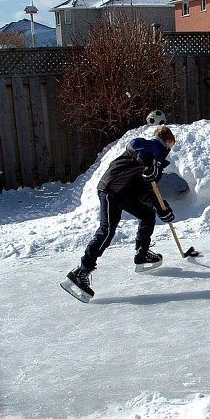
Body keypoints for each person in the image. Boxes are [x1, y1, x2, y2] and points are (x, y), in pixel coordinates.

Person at [61, 125, 176, 302]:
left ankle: (142, 253)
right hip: (111, 189)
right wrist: (148, 161)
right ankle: (81, 272)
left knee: (147, 214)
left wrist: (162, 208)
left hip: (125, 193)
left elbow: (146, 189)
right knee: (107, 230)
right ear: (168, 143)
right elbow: (133, 145)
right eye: (171, 145)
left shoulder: (158, 162)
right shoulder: (147, 146)